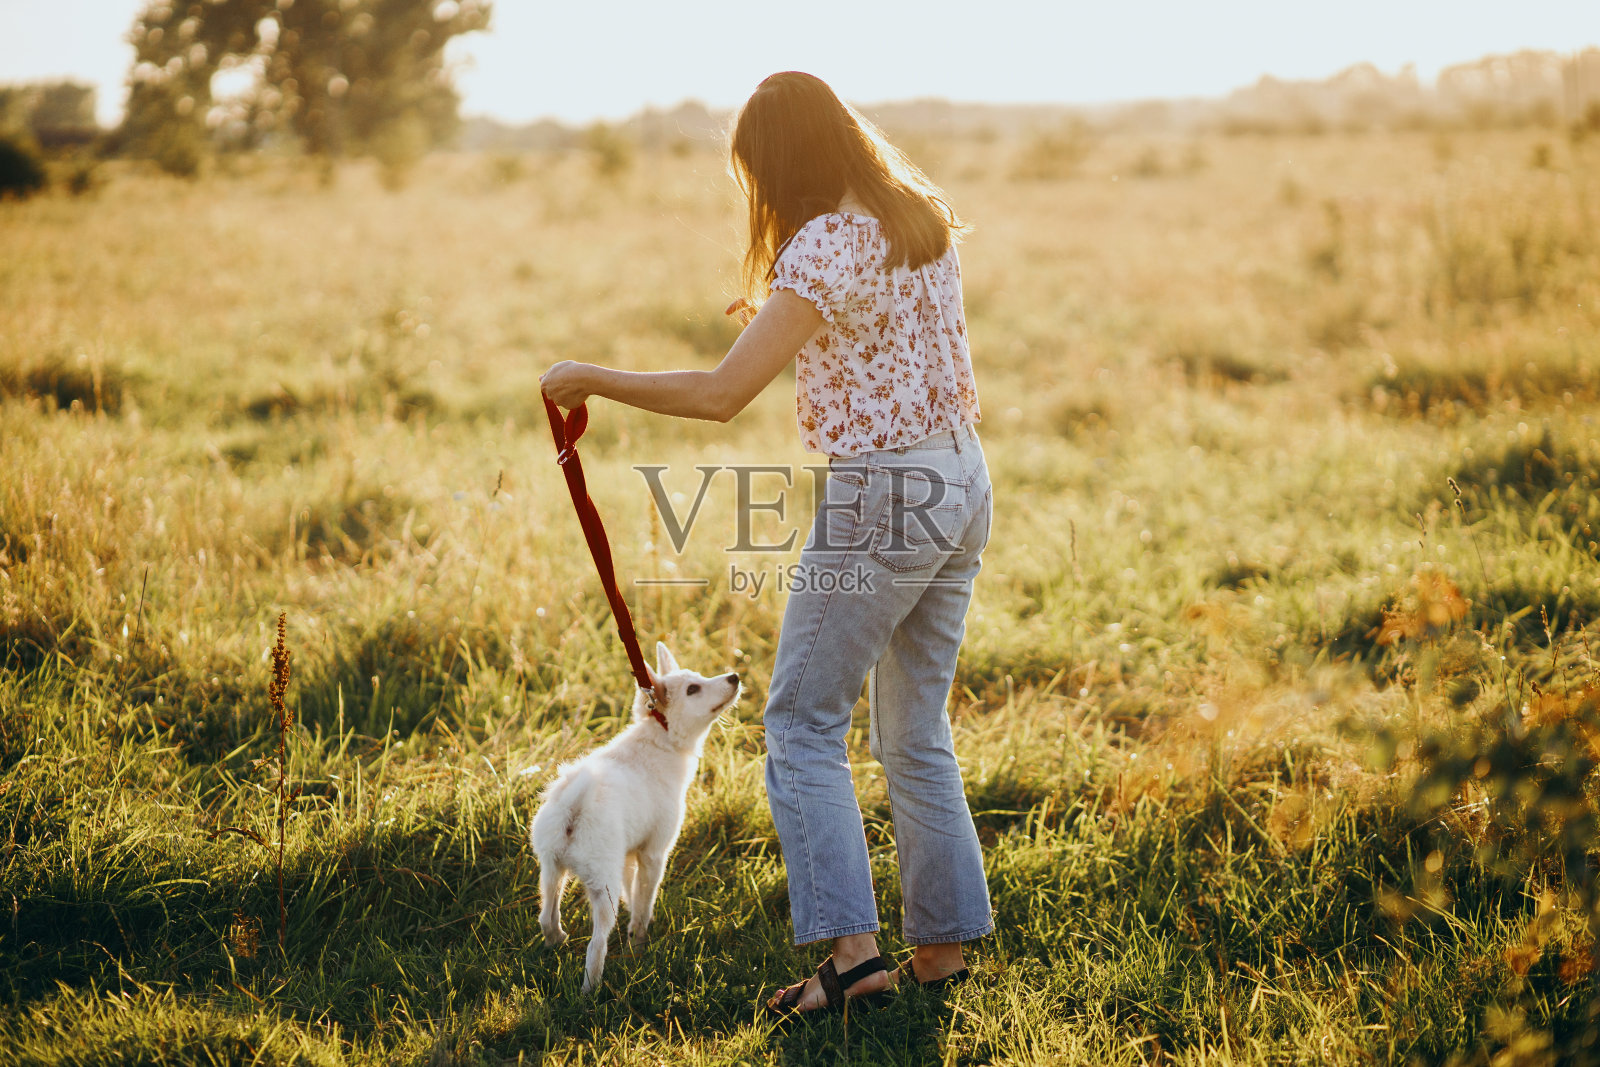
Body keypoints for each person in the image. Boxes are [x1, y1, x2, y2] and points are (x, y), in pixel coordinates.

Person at [539, 70, 993, 1016]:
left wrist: (590, 377)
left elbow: (719, 395)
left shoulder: (824, 243)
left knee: (798, 724)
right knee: (915, 732)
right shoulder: (916, 217)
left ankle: (853, 959)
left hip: (882, 493)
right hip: (960, 478)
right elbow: (881, 339)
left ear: (780, 164)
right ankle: (941, 955)